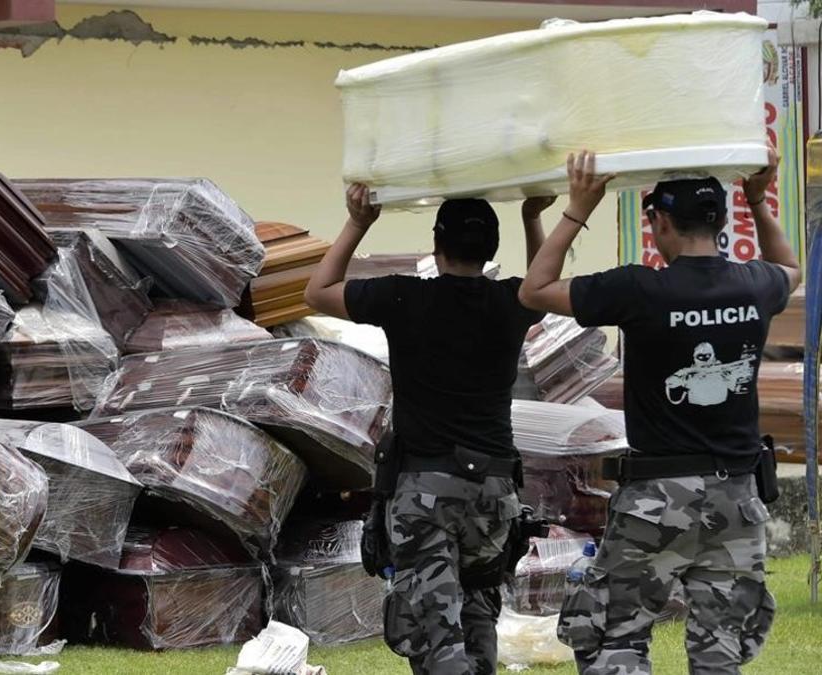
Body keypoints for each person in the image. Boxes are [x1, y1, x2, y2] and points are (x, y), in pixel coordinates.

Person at [519, 147, 800, 675]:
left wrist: (578, 207)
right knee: (719, 652)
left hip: (656, 501)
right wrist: (760, 201)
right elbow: (790, 267)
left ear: (662, 222)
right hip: (737, 500)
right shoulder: (756, 285)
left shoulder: (639, 289)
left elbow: (534, 291)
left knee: (616, 640)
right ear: (720, 221)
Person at [303, 184, 551, 674]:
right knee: (479, 616)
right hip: (495, 492)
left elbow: (316, 292)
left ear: (436, 247)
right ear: (492, 249)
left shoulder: (403, 295)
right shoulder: (510, 301)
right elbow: (543, 283)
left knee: (436, 632)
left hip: (426, 493)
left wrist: (359, 221)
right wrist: (532, 217)